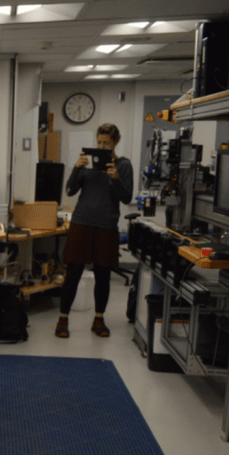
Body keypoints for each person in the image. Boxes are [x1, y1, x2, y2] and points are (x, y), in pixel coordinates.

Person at [55, 123, 133, 338]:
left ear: (115, 142)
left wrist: (115, 178)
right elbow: (70, 191)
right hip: (81, 223)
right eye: (99, 142)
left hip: (106, 225)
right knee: (73, 273)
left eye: (106, 143)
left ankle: (99, 319)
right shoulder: (87, 164)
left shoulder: (123, 165)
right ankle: (63, 319)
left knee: (103, 276)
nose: (102, 146)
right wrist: (78, 167)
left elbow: (126, 197)